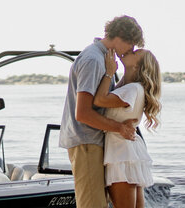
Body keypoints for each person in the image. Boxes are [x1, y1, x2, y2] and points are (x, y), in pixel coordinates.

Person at [59, 16, 145, 208]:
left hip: (92, 141)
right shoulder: (93, 60)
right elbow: (82, 113)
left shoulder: (103, 59)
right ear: (120, 37)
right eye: (131, 47)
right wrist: (120, 128)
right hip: (86, 141)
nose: (130, 52)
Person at [95, 48, 162, 208]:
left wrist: (109, 72)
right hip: (126, 151)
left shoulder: (132, 90)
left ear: (137, 66)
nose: (129, 52)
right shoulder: (132, 87)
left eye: (134, 54)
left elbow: (100, 100)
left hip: (121, 153)